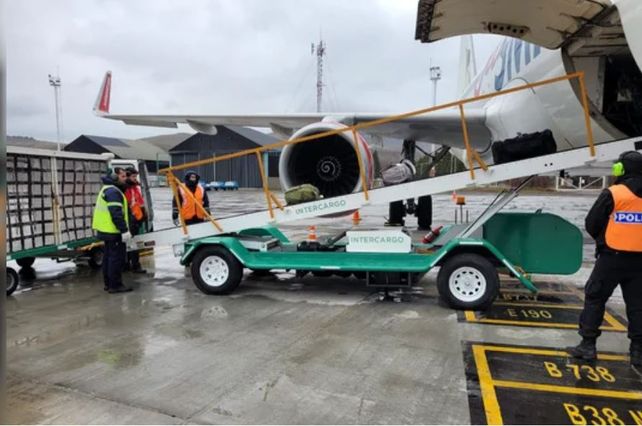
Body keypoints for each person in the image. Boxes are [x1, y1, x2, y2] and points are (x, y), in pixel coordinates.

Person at [568, 151, 642, 369]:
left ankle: (588, 345)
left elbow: (592, 222)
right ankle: (637, 352)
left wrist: (604, 240)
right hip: (639, 262)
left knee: (595, 298)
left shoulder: (614, 193)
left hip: (612, 257)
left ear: (621, 169)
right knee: (638, 307)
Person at [92, 167, 133, 293]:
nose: (125, 178)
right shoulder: (113, 192)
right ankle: (115, 285)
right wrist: (124, 230)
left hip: (106, 231)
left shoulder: (108, 189)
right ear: (115, 177)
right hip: (112, 231)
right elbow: (116, 214)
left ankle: (109, 284)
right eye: (123, 176)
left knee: (108, 258)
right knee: (116, 259)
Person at [124, 167, 147, 274]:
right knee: (132, 244)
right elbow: (127, 205)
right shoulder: (126, 189)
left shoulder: (135, 187)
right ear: (128, 176)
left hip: (136, 219)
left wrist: (143, 214)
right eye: (133, 176)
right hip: (130, 220)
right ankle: (134, 265)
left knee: (132, 243)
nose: (135, 178)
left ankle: (129, 264)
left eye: (135, 176)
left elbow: (140, 202)